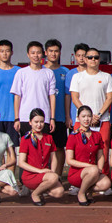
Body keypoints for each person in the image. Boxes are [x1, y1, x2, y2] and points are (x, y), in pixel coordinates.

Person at [11, 42, 57, 170]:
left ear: (43, 54)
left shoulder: (48, 73)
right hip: (25, 118)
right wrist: (17, 118)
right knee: (26, 150)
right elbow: (17, 96)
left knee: (44, 150)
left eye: (38, 52)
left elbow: (52, 96)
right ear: (28, 54)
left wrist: (52, 118)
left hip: (44, 118)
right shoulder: (21, 73)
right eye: (33, 53)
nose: (36, 55)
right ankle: (25, 178)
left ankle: (46, 176)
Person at [70, 47, 112, 173]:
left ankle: (103, 177)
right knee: (80, 151)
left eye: (96, 57)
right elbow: (75, 98)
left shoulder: (106, 77)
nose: (93, 59)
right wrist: (86, 116)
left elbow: (109, 98)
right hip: (81, 121)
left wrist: (98, 115)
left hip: (102, 120)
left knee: (103, 151)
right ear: (85, 59)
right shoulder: (77, 77)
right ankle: (80, 178)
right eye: (90, 57)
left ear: (99, 59)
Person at [65, 105, 112, 206]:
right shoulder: (73, 136)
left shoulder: (97, 135)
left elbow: (100, 156)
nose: (86, 119)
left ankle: (88, 191)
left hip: (93, 171)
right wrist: (90, 166)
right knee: (93, 170)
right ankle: (81, 193)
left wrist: (99, 169)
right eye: (83, 116)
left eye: (89, 116)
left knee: (106, 183)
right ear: (78, 118)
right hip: (77, 173)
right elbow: (69, 160)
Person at [17, 108, 65, 206]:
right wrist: (39, 171)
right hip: (30, 175)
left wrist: (52, 172)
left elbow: (54, 158)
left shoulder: (49, 138)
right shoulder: (25, 139)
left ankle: (40, 189)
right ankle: (35, 194)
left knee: (59, 192)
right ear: (30, 122)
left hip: (45, 174)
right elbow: (21, 163)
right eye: (36, 122)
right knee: (54, 178)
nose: (39, 125)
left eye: (41, 122)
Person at [44, 39, 68, 175]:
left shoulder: (65, 72)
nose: (53, 54)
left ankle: (57, 176)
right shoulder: (40, 70)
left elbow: (68, 96)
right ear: (46, 52)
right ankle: (44, 177)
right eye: (51, 51)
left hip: (59, 116)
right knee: (44, 148)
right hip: (44, 118)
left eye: (56, 51)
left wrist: (67, 116)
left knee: (59, 147)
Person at [65, 43, 89, 130]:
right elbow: (68, 96)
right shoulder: (70, 74)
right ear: (75, 57)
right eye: (79, 55)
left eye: (84, 55)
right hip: (75, 114)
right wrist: (68, 116)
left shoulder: (93, 73)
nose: (81, 58)